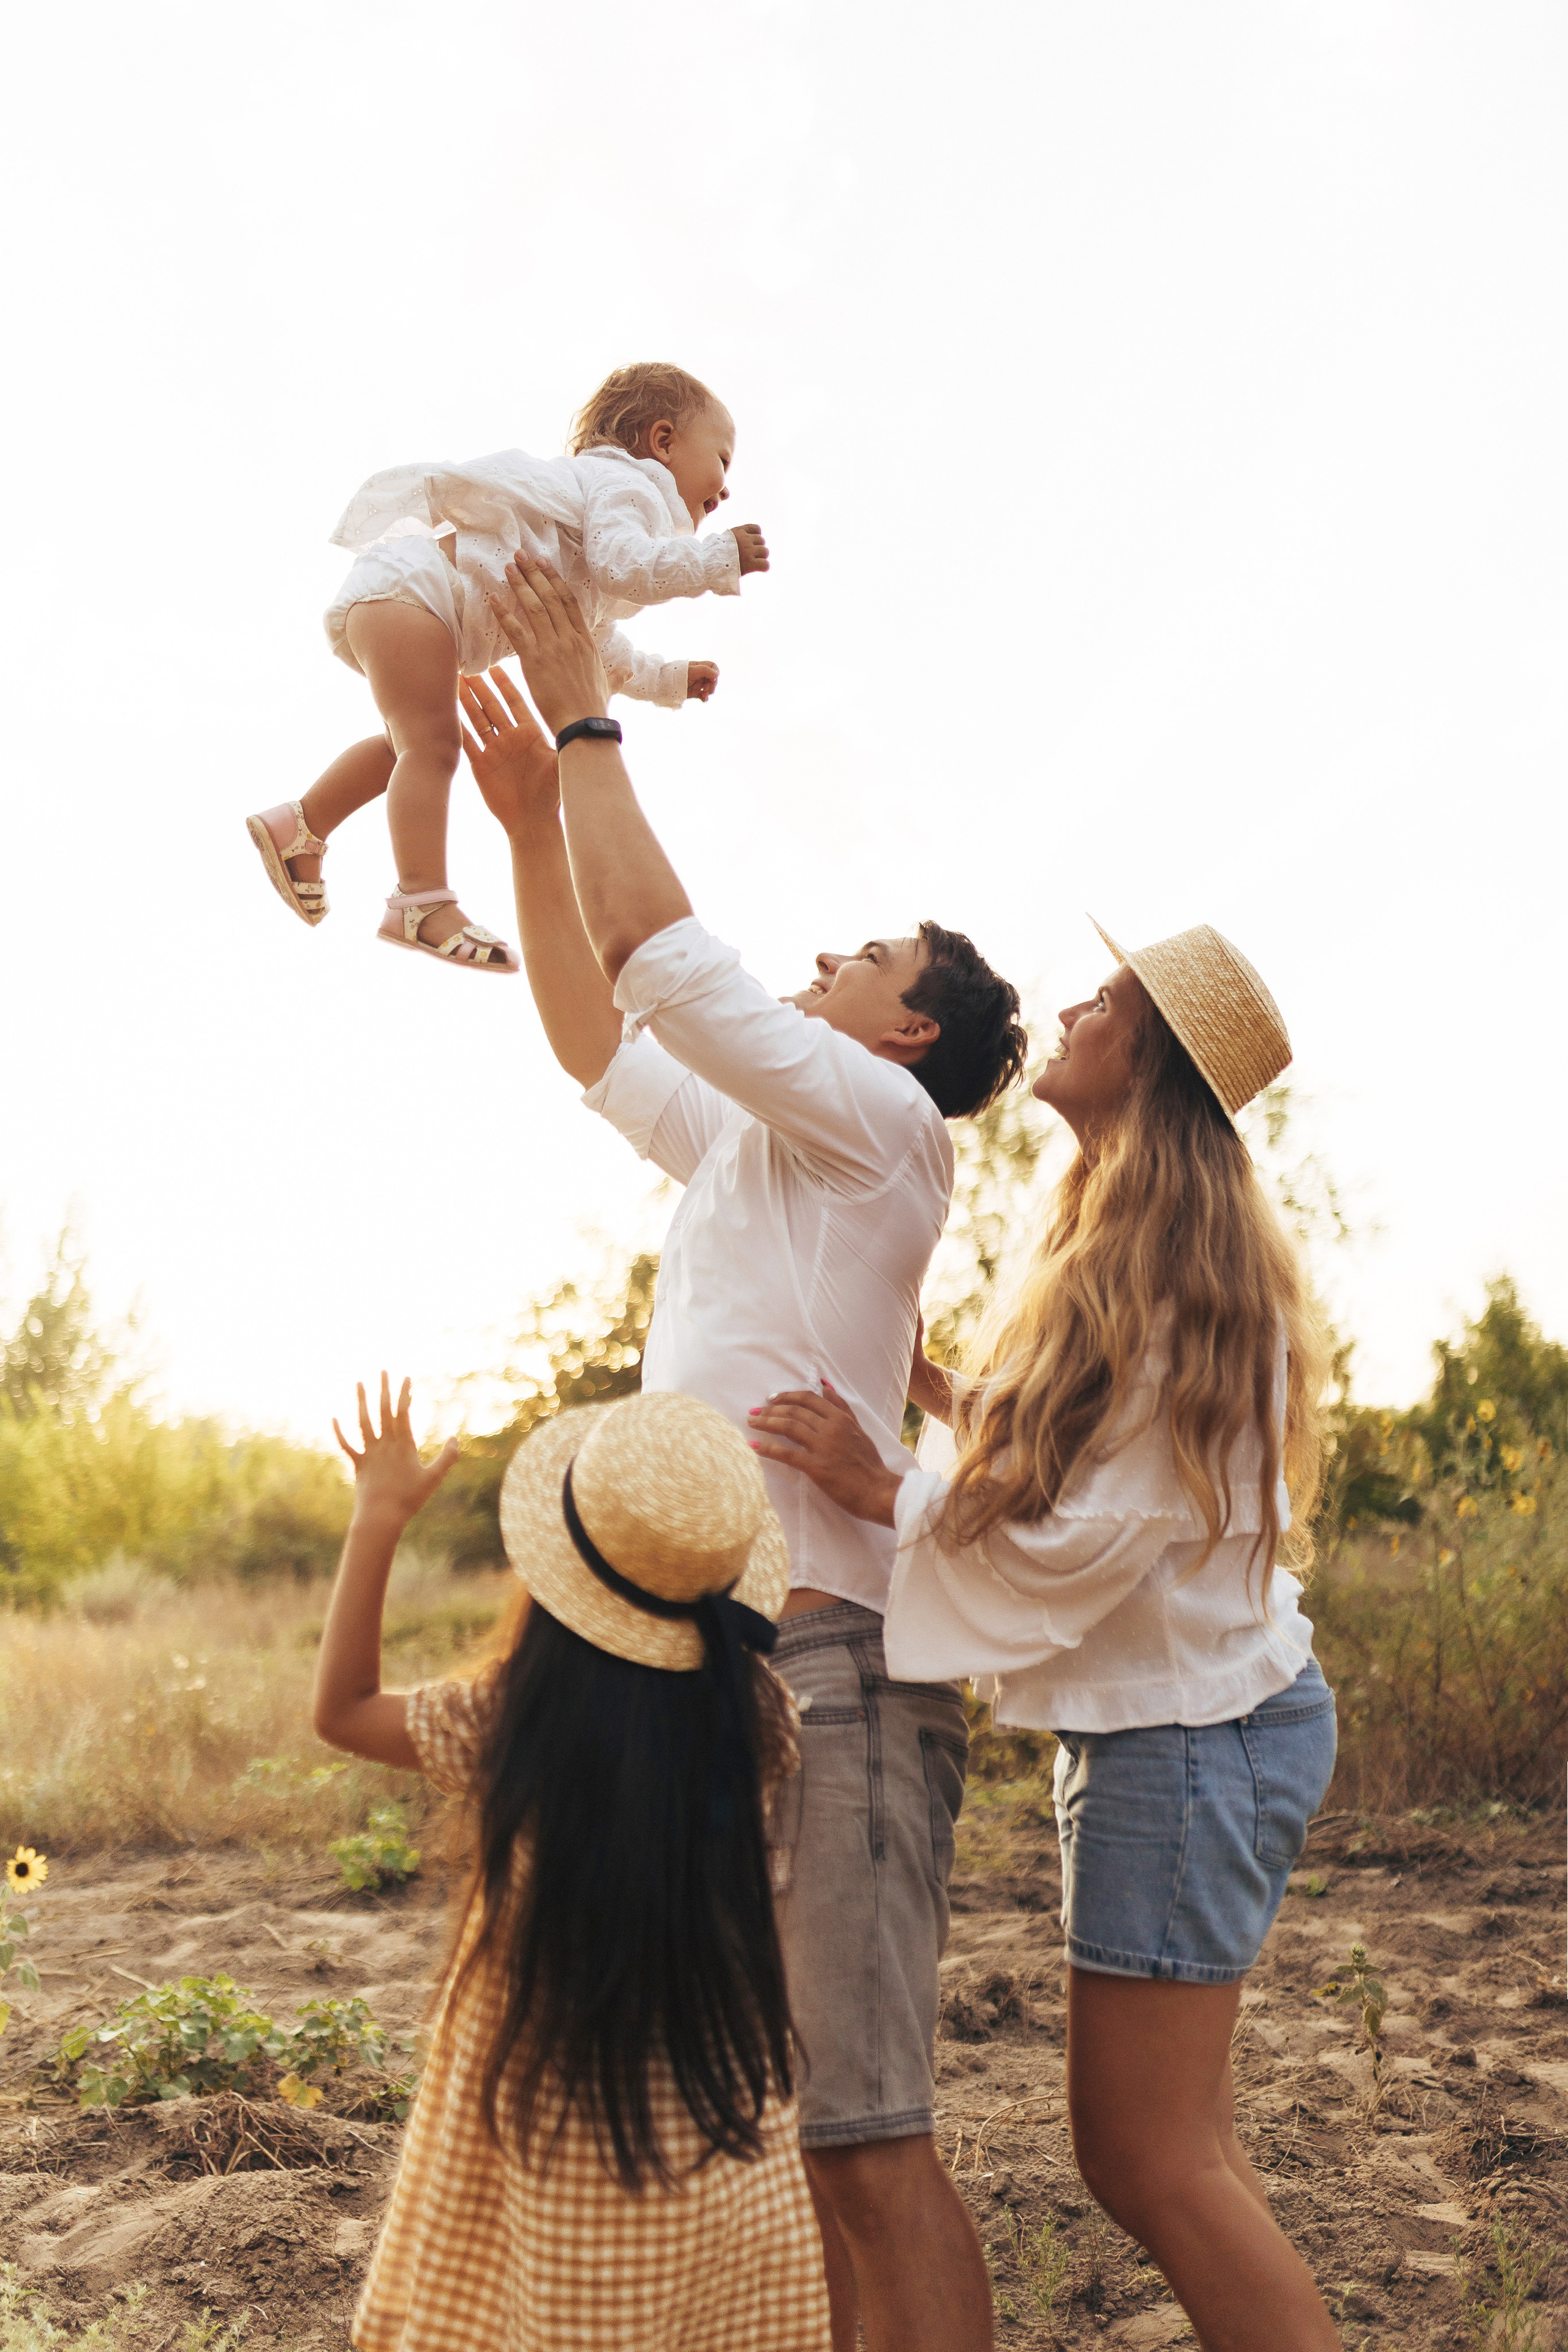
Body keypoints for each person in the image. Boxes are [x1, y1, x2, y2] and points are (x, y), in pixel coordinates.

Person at [460, 560, 1028, 2352]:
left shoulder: (876, 1132)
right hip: (732, 1663)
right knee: (810, 2136)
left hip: (837, 1668)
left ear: (907, 1031)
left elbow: (664, 961)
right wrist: (546, 814)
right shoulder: (762, 1148)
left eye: (858, 957)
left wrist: (583, 724)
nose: (820, 961)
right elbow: (593, 1030)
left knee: (868, 2142)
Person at [749, 920, 1344, 2352]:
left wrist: (877, 1483)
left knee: (1152, 2161)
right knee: (1172, 2149)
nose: (1072, 1005)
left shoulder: (1179, 1264)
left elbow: (1096, 1532)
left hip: (1193, 1738)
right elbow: (1088, 1464)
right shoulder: (1117, 1225)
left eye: (1107, 998)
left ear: (1149, 1056)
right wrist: (947, 1397)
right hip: (1188, 1726)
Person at [313, 1373, 832, 2352]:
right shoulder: (762, 1719)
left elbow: (340, 1709)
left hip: (547, 2096)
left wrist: (376, 1517)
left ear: (557, 1584)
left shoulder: (514, 1719)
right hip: (712, 2088)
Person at [245, 361, 767, 971]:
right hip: (418, 594)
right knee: (433, 750)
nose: (726, 487)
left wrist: (667, 680)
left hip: (405, 597)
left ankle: (300, 827)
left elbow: (593, 643)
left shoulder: (598, 518)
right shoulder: (630, 490)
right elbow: (629, 565)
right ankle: (420, 900)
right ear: (662, 442)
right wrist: (713, 560)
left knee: (412, 747)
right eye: (724, 460)